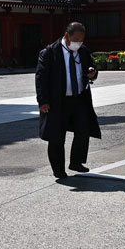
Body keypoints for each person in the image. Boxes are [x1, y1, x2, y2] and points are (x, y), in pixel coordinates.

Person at [36, 22, 101, 179]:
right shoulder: (50, 52)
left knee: (83, 129)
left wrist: (93, 72)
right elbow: (41, 78)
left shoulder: (83, 51)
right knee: (57, 136)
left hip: (79, 98)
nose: (79, 43)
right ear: (66, 36)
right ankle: (58, 169)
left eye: (82, 39)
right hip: (58, 100)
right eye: (76, 39)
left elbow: (90, 67)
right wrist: (43, 101)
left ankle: (76, 162)